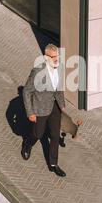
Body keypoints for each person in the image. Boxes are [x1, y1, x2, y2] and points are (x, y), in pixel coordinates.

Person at [22, 44, 67, 177]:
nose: (57, 59)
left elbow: (58, 88)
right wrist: (30, 112)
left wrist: (62, 104)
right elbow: (26, 91)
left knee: (54, 135)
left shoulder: (59, 68)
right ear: (46, 57)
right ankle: (28, 143)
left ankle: (53, 164)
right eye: (54, 57)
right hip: (40, 108)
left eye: (58, 56)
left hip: (54, 107)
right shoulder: (37, 71)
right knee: (38, 133)